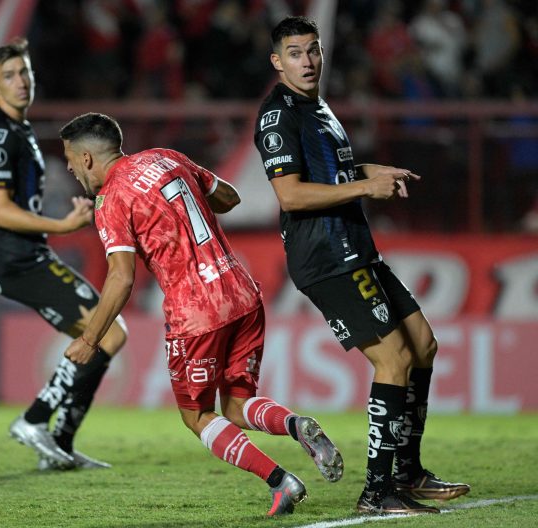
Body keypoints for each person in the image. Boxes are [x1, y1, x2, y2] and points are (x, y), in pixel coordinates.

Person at [58, 112, 343, 517]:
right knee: (237, 405)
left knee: (196, 416)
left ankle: (282, 481)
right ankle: (296, 425)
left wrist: (90, 340)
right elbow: (229, 197)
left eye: (70, 158)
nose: (68, 167)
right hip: (241, 291)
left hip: (195, 311)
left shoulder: (111, 199)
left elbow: (121, 279)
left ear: (87, 158)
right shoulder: (166, 157)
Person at [253, 16, 471, 515]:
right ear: (276, 61)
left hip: (353, 244)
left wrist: (373, 172)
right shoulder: (278, 116)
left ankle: (408, 472)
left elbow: (337, 172)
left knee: (423, 344)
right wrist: (364, 188)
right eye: (294, 52)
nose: (306, 61)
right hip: (324, 255)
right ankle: (378, 491)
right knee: (393, 359)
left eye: (313, 50)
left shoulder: (318, 107)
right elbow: (289, 194)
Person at [0, 39, 127, 471]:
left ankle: (59, 443)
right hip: (15, 260)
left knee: (108, 335)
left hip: (26, 256)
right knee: (108, 334)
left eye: (26, 72)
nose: (21, 82)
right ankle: (35, 419)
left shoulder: (18, 130)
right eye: (10, 75)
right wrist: (63, 226)